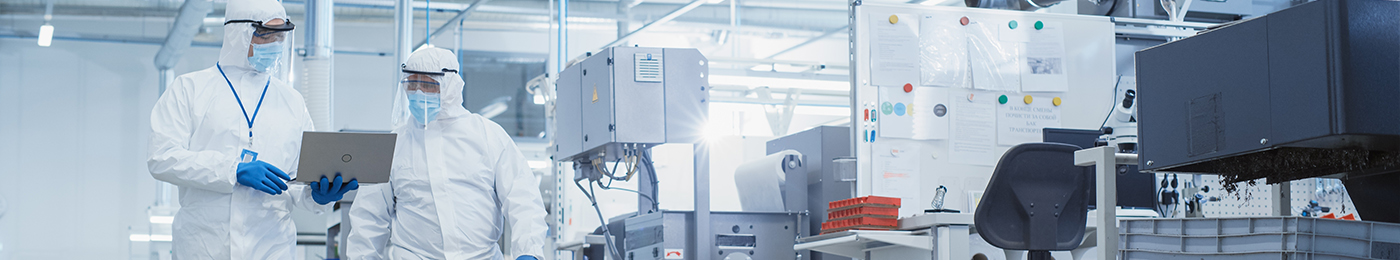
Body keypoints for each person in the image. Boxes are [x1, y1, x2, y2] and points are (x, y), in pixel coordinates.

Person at [146, 0, 357, 258]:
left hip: (271, 247)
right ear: (238, 33)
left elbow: (297, 182)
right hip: (204, 247)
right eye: (266, 34)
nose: (275, 44)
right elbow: (162, 158)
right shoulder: (190, 89)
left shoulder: (292, 102)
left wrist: (319, 196)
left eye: (280, 36)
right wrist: (232, 170)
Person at [345, 47, 547, 260]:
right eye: (412, 84)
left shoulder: (488, 136)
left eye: (428, 84)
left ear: (450, 85)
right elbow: (368, 217)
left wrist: (528, 251)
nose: (418, 92)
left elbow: (523, 199)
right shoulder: (393, 145)